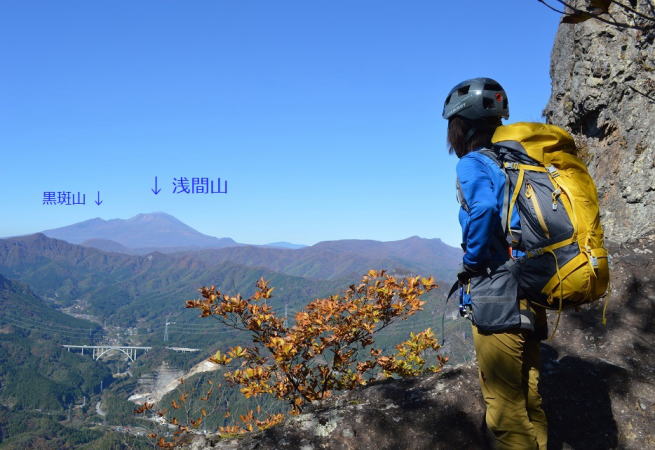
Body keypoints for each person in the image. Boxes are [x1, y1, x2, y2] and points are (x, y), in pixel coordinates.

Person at [442, 77, 548, 449]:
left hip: (497, 290)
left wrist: (472, 262)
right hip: (532, 284)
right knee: (530, 396)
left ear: (461, 126)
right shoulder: (519, 159)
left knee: (504, 411)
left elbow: (484, 208)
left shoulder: (473, 163)